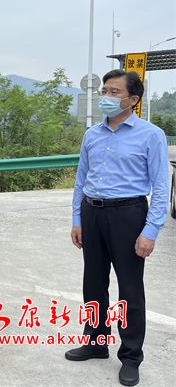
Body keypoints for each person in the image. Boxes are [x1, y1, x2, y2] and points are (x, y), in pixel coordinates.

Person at [66, 69, 169, 386]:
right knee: (93, 284)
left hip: (128, 214)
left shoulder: (151, 135)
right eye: (104, 91)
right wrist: (77, 219)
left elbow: (160, 187)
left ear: (133, 99)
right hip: (92, 213)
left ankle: (131, 356)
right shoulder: (92, 134)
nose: (106, 97)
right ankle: (96, 342)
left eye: (114, 92)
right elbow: (81, 179)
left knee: (130, 289)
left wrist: (150, 231)